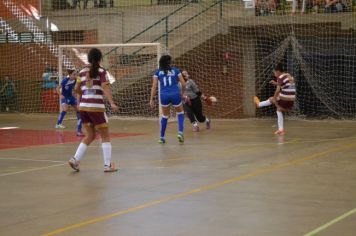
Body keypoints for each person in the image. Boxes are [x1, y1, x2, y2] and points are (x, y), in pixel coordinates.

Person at [68, 48, 118, 172]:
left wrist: (79, 103)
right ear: (100, 58)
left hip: (84, 108)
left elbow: (76, 89)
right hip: (96, 107)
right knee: (105, 136)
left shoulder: (81, 72)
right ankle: (107, 165)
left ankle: (75, 159)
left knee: (90, 135)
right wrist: (111, 102)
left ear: (89, 58)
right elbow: (105, 87)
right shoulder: (101, 71)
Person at [149, 55, 186, 144]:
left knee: (165, 116)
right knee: (180, 113)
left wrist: (151, 99)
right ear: (169, 62)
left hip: (164, 95)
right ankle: (180, 133)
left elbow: (154, 87)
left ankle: (162, 137)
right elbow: (183, 84)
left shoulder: (157, 72)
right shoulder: (176, 70)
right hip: (175, 94)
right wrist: (182, 92)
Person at [254, 64, 296, 135]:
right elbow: (287, 85)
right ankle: (281, 130)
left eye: (274, 73)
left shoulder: (280, 77)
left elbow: (277, 90)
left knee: (272, 100)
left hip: (284, 99)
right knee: (278, 109)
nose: (274, 74)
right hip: (291, 100)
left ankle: (259, 104)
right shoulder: (288, 75)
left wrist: (274, 99)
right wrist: (276, 83)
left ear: (278, 71)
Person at [55, 68, 83, 136]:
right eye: (74, 74)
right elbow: (57, 88)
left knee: (78, 109)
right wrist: (60, 95)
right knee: (65, 109)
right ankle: (58, 124)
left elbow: (75, 88)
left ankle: (79, 121)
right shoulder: (65, 80)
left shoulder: (75, 80)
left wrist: (74, 93)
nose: (75, 75)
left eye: (76, 74)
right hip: (64, 97)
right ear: (70, 75)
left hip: (71, 96)